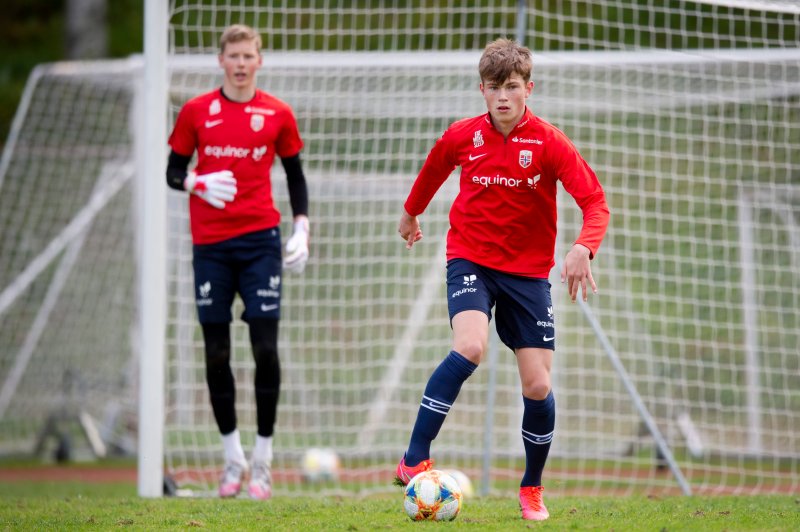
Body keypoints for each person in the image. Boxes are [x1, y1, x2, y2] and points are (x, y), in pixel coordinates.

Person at [394, 38, 609, 521]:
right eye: (495, 88)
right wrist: (411, 214)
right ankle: (413, 458)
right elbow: (433, 169)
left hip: (528, 275)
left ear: (528, 89)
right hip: (469, 259)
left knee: (537, 385)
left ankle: (531, 488)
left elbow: (595, 203)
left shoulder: (550, 143)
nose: (504, 96)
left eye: (512, 86)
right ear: (482, 90)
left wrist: (583, 246)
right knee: (470, 346)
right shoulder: (462, 136)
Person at [165, 24, 310, 500]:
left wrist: (302, 226)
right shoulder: (195, 112)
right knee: (217, 352)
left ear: (259, 61)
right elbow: (173, 171)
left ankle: (263, 463)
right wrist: (196, 184)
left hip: (260, 243)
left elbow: (294, 175)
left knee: (265, 349)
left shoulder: (277, 114)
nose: (242, 63)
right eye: (234, 56)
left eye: (249, 55)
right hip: (211, 246)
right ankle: (232, 460)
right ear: (221, 60)